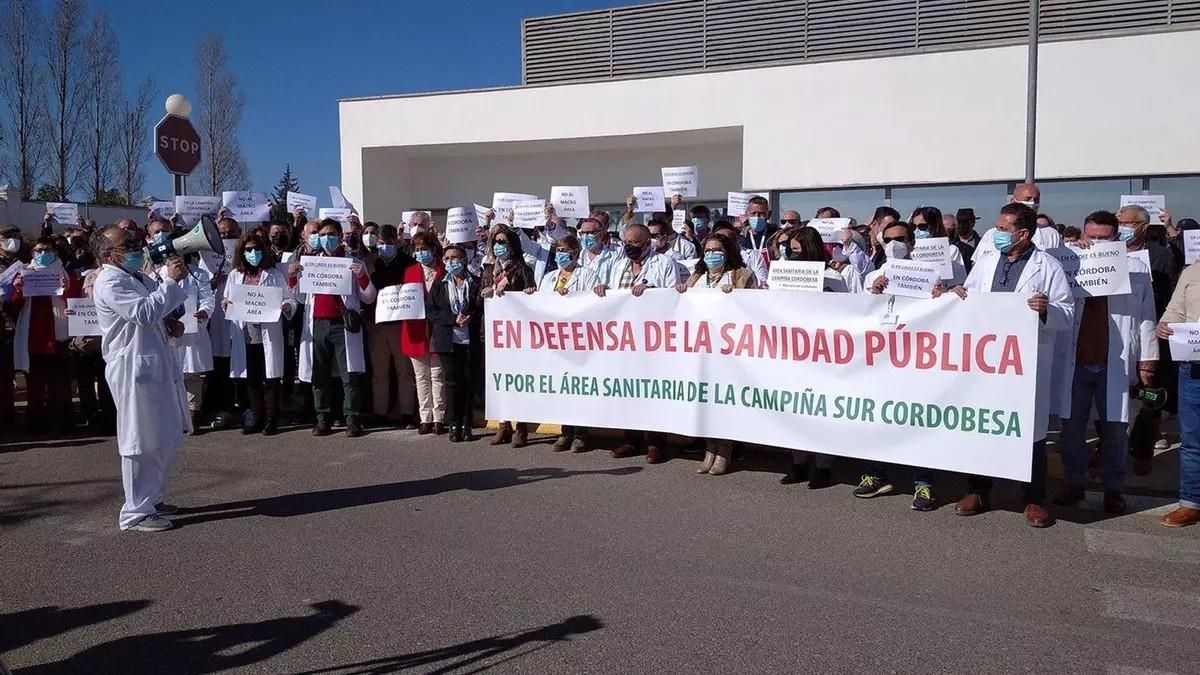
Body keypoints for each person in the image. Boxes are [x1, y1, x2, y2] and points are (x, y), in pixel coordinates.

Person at [952, 203, 1074, 528]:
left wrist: (1046, 309)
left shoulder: (1047, 266)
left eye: (1004, 230)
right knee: (981, 424)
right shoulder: (987, 261)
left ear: (1022, 233)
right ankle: (978, 490)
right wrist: (959, 293)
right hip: (985, 359)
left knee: (1029, 431)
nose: (997, 235)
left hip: (1025, 361)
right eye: (997, 228)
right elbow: (969, 296)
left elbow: (1068, 313)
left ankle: (1033, 498)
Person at [1052, 211, 1157, 515]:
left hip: (1115, 361)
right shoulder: (1068, 263)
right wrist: (1073, 256)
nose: (1096, 243)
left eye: (1103, 238)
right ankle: (1074, 483)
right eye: (1091, 237)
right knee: (1072, 428)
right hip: (1077, 361)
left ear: (1116, 238)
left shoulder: (1135, 268)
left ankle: (1113, 489)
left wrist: (1148, 359)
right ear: (1083, 235)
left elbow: (1146, 316)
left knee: (1115, 429)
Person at [91, 226, 191, 532]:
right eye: (127, 245)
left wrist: (170, 324)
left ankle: (152, 499)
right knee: (139, 440)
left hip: (154, 366)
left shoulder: (139, 277)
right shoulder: (109, 281)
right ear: (109, 255)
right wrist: (171, 281)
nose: (136, 248)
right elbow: (144, 313)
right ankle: (134, 512)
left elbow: (156, 315)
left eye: (135, 242)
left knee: (162, 436)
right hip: (132, 370)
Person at [859, 222, 946, 510]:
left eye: (901, 239)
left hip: (917, 359)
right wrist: (873, 293)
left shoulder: (930, 274)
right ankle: (876, 473)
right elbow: (855, 316)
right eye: (889, 239)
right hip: (881, 359)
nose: (895, 244)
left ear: (911, 243)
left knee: (919, 421)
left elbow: (946, 311)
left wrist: (939, 296)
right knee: (876, 418)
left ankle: (923, 484)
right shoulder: (872, 276)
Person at [596, 223, 680, 462]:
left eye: (634, 242)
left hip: (653, 338)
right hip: (623, 337)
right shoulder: (619, 264)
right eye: (626, 242)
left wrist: (651, 291)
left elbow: (673, 296)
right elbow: (610, 295)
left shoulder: (664, 263)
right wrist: (603, 288)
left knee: (653, 391)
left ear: (647, 243)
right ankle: (631, 439)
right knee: (628, 390)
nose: (629, 246)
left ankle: (656, 442)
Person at [674, 232, 757, 475]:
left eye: (717, 250)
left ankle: (724, 451)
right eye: (707, 251)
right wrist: (680, 290)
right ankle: (709, 449)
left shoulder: (741, 274)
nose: (711, 255)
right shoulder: (697, 277)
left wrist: (739, 294)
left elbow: (757, 306)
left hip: (730, 350)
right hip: (702, 350)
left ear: (728, 252)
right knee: (706, 402)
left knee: (725, 401)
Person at [289, 219, 378, 438]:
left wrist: (361, 276)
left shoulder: (353, 262)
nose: (326, 238)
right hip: (317, 325)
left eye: (331, 234)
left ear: (339, 236)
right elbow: (299, 297)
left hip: (343, 326)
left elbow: (369, 297)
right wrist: (293, 276)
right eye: (322, 234)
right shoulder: (310, 262)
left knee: (349, 375)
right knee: (319, 374)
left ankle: (352, 419)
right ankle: (323, 418)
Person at [1126, 205, 1186, 473]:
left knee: (1149, 395)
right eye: (1118, 221)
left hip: (1152, 332)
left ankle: (1142, 449)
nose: (1122, 227)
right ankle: (1106, 447)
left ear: (1142, 227)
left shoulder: (1160, 256)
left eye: (1127, 222)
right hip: (1117, 334)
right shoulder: (1105, 255)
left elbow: (1173, 291)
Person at [529, 235, 602, 453]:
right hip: (555, 341)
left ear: (576, 252)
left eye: (565, 250)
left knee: (578, 389)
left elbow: (593, 303)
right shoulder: (549, 278)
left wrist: (571, 297)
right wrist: (533, 295)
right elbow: (539, 306)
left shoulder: (588, 275)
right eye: (558, 250)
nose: (561, 254)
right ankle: (565, 432)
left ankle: (581, 434)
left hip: (579, 340)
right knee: (562, 388)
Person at [226, 232, 296, 436]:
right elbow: (228, 300)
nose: (253, 253)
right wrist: (225, 304)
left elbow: (290, 298)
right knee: (252, 378)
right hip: (246, 334)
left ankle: (271, 419)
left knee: (271, 378)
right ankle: (256, 417)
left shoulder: (273, 274)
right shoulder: (235, 276)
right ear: (242, 252)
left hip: (268, 333)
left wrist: (285, 306)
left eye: (256, 249)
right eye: (248, 250)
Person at [13, 237, 80, 433]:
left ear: (55, 253)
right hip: (33, 336)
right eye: (39, 250)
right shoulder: (25, 272)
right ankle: (36, 422)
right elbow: (13, 306)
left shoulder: (65, 273)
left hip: (59, 335)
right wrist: (18, 289)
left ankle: (63, 421)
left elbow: (77, 301)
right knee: (35, 383)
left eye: (48, 250)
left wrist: (66, 291)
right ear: (33, 253)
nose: (43, 254)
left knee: (59, 382)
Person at [482, 226, 537, 447]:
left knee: (517, 382)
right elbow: (478, 302)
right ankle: (503, 425)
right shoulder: (488, 271)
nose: (499, 246)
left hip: (517, 336)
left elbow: (532, 301)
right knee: (499, 382)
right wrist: (485, 293)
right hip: (494, 336)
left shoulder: (523, 269)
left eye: (503, 242)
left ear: (512, 245)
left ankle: (521, 426)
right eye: (496, 241)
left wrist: (526, 293)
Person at [1154, 260, 1200, 527]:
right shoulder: (1192, 272)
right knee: (1193, 441)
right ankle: (1190, 503)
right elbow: (1174, 314)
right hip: (1193, 368)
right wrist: (1166, 326)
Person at [367, 225, 419, 428]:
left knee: (404, 371)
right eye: (381, 243)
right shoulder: (372, 263)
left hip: (400, 324)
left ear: (396, 243)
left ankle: (406, 413)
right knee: (379, 372)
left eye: (389, 243)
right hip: (376, 324)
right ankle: (380, 412)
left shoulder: (408, 264)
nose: (385, 247)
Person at [429, 244, 482, 442]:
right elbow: (431, 311)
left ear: (464, 260)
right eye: (448, 258)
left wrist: (470, 317)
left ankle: (467, 423)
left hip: (470, 340)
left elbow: (481, 308)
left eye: (455, 257)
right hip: (447, 341)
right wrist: (453, 319)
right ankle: (454, 424)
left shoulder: (475, 283)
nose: (451, 261)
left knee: (468, 383)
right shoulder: (439, 284)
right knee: (452, 384)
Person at [160, 250, 214, 435]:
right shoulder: (157, 274)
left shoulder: (198, 274)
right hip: (167, 332)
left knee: (192, 375)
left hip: (192, 332)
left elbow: (208, 298)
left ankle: (193, 414)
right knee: (170, 374)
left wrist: (205, 311)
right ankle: (173, 415)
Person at [203, 216, 242, 428]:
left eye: (230, 233)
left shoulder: (242, 255)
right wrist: (211, 282)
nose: (226, 236)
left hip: (238, 315)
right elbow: (199, 284)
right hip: (214, 317)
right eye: (222, 233)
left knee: (236, 359)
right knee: (216, 363)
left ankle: (238, 405)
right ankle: (215, 406)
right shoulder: (206, 255)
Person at [408, 232, 448, 435]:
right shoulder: (410, 272)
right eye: (417, 249)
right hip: (416, 330)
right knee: (421, 376)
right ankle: (425, 418)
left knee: (437, 374)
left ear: (433, 249)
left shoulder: (444, 270)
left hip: (438, 329)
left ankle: (439, 417)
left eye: (424, 248)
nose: (421, 252)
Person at [909, 206, 967, 285]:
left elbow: (958, 282)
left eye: (922, 226)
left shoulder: (951, 250)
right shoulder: (908, 249)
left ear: (935, 227)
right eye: (913, 227)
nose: (917, 231)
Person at [577, 215, 621, 282]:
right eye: (582, 233)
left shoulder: (614, 254)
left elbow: (617, 279)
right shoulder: (579, 256)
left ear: (600, 233)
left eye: (590, 233)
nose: (585, 236)